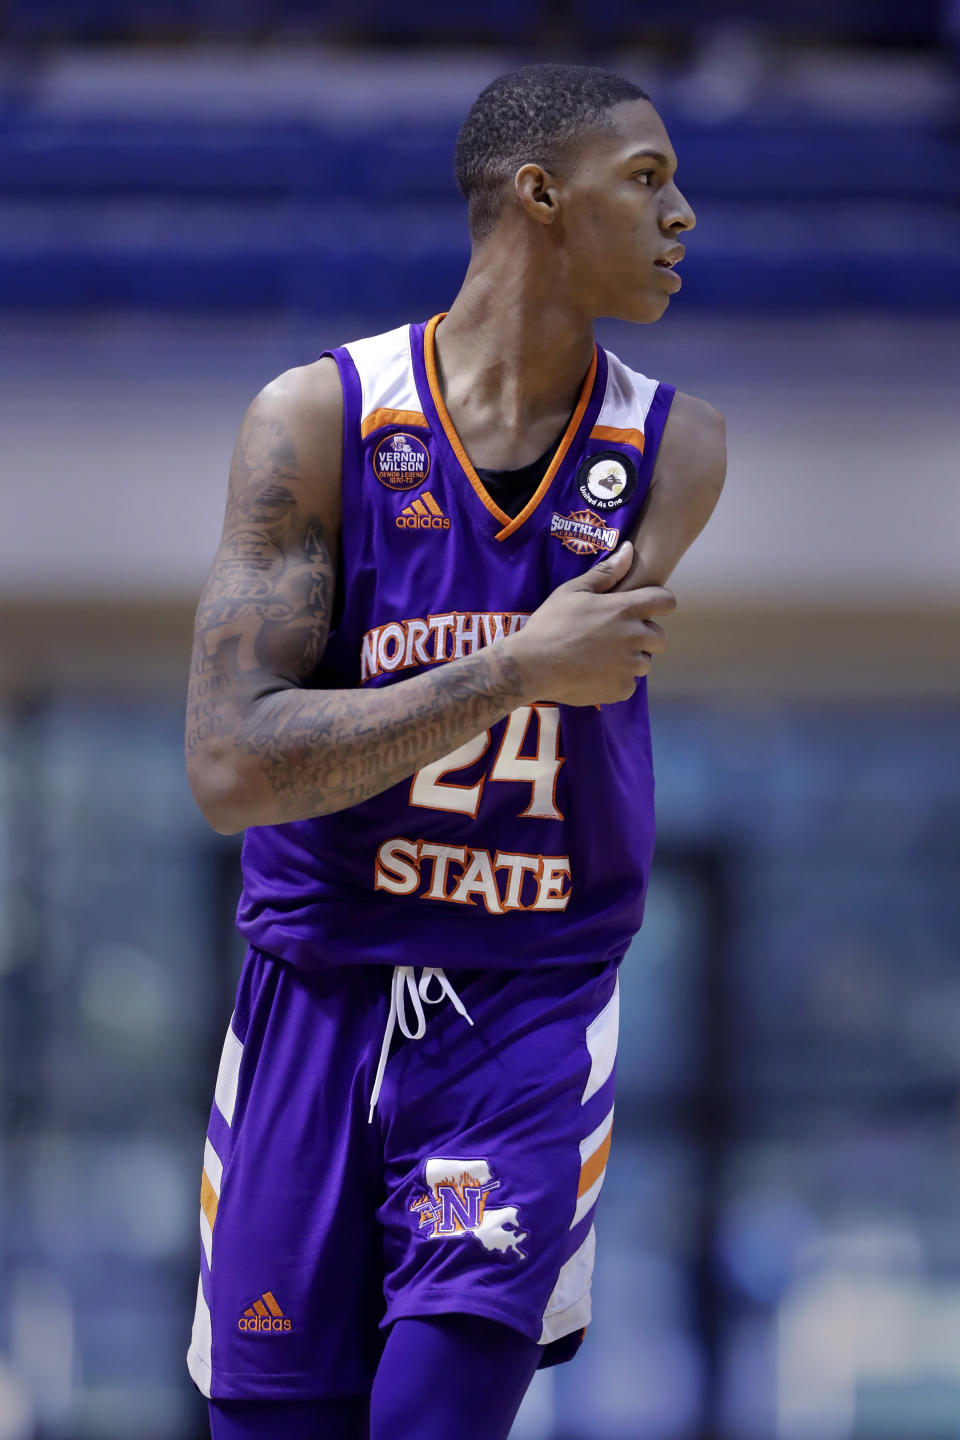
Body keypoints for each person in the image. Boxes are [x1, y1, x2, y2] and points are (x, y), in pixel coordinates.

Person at [184, 62, 726, 1440]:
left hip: (521, 1009)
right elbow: (229, 770)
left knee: (433, 1415)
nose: (686, 219)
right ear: (539, 194)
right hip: (315, 995)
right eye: (648, 181)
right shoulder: (316, 421)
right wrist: (514, 669)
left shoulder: (672, 451)